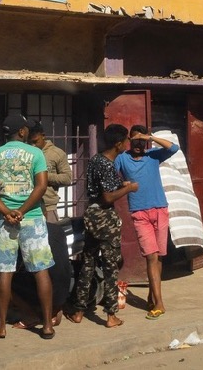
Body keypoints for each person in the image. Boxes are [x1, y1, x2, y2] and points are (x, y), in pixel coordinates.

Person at [0, 112, 56, 340]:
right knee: (41, 271)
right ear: (23, 132)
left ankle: (1, 327)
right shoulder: (35, 153)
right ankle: (46, 326)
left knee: (5, 272)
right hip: (32, 218)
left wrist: (7, 212)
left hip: (6, 222)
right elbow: (42, 186)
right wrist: (23, 211)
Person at [65, 124, 136, 328]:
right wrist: (129, 188)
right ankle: (111, 315)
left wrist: (120, 185)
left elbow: (101, 188)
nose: (127, 144)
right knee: (110, 266)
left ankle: (79, 310)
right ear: (118, 143)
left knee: (87, 263)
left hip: (91, 215)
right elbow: (107, 197)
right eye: (126, 141)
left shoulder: (97, 160)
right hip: (104, 217)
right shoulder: (107, 164)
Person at [114, 125, 178, 319]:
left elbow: (173, 148)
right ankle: (159, 303)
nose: (139, 145)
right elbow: (111, 179)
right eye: (135, 141)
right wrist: (122, 184)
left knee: (158, 258)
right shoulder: (122, 158)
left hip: (160, 210)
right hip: (139, 213)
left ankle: (153, 294)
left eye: (142, 142)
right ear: (129, 141)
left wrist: (150, 137)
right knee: (151, 256)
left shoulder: (153, 155)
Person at [28, 124, 73, 224]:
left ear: (43, 136)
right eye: (30, 142)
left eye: (36, 141)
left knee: (50, 237)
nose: (33, 145)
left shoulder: (56, 153)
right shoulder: (25, 153)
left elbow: (67, 178)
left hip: (48, 206)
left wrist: (43, 176)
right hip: (26, 205)